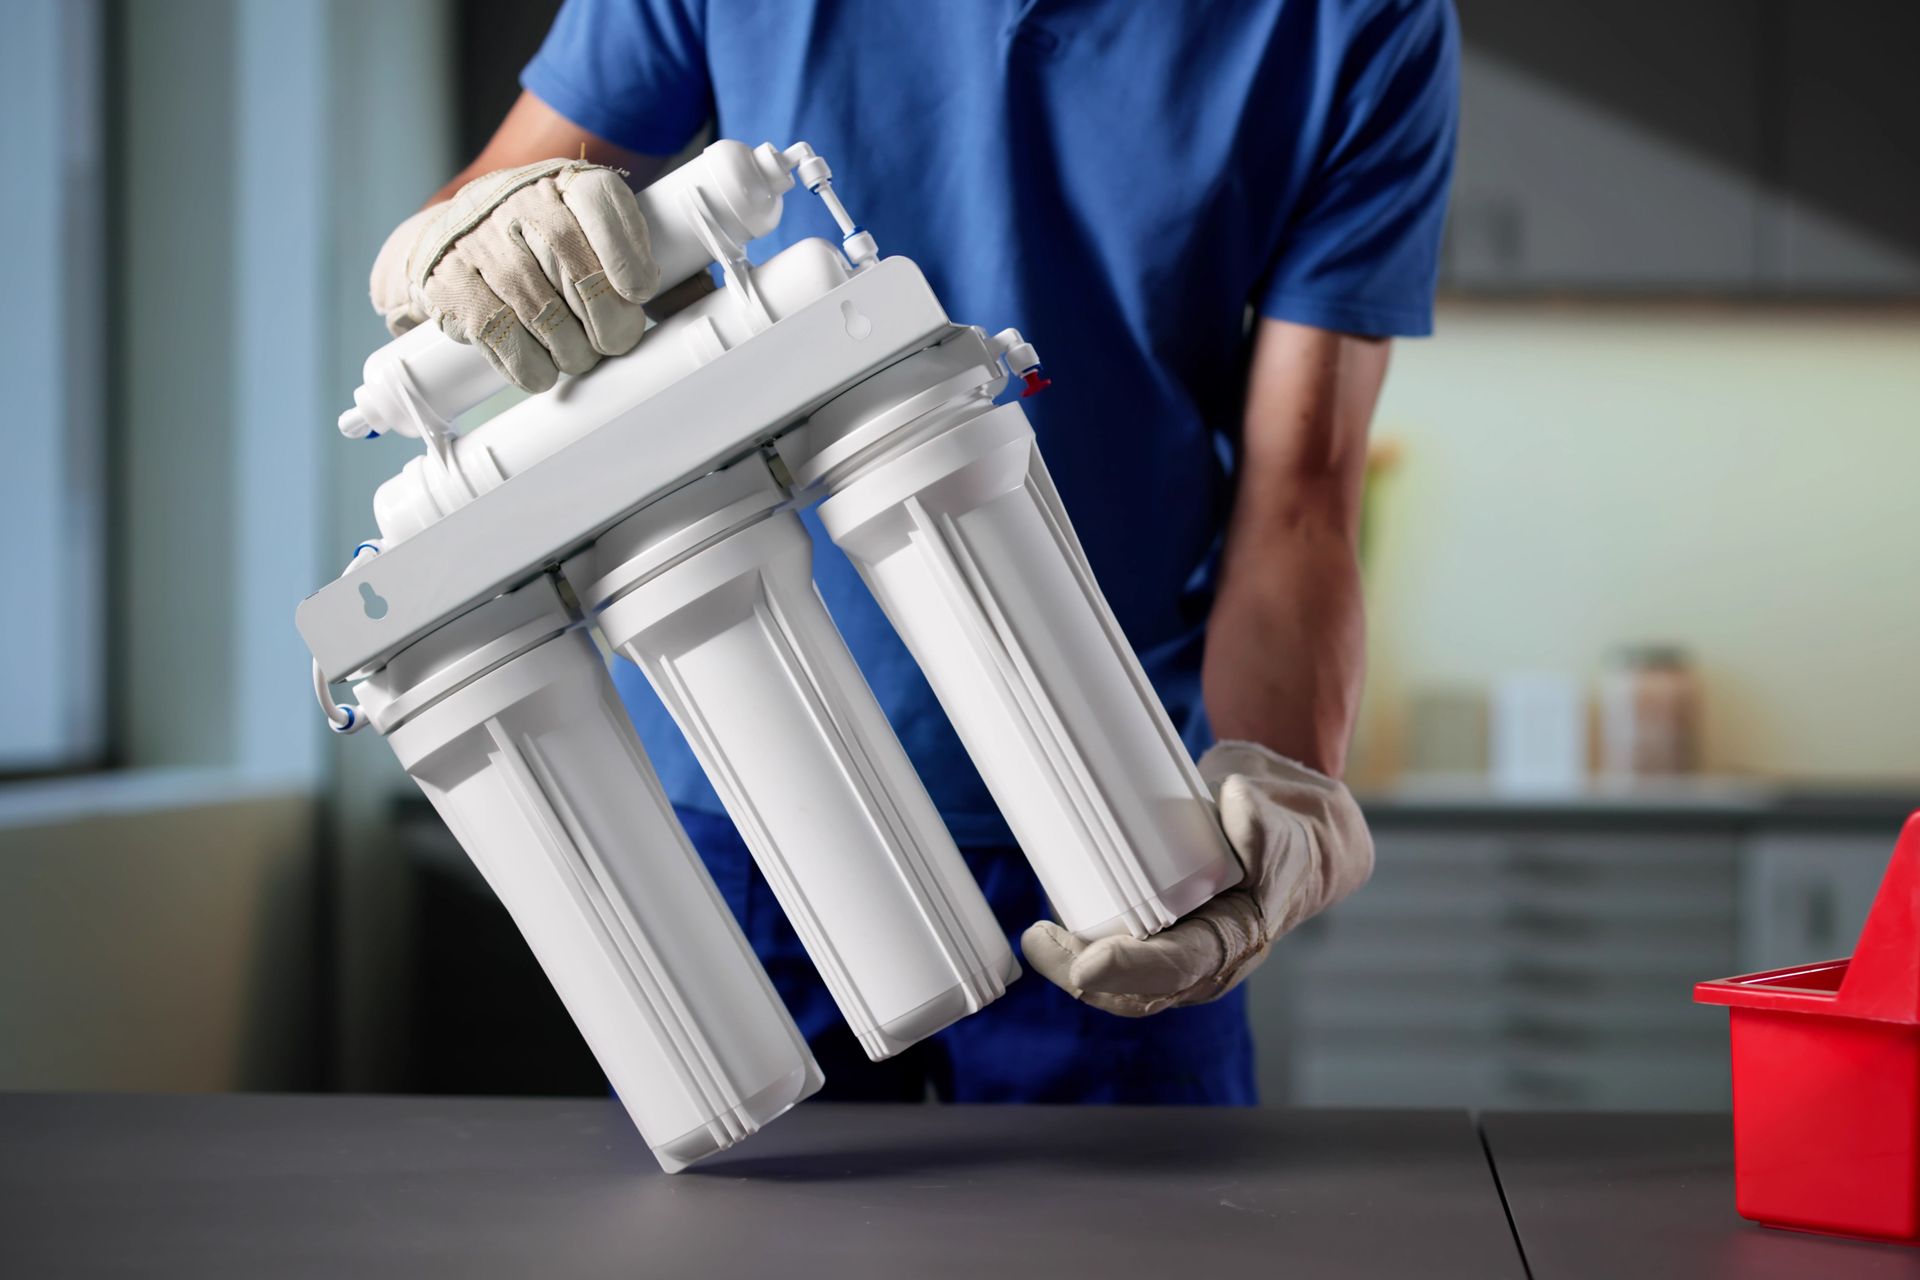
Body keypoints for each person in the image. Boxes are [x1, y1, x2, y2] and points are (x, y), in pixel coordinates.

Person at [370, 0, 1458, 1104]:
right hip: (744, 778)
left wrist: (1279, 779)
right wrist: (469, 244)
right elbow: (489, 237)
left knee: (1141, 1240)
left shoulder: (1355, 23)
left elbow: (1302, 498)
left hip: (1124, 796)